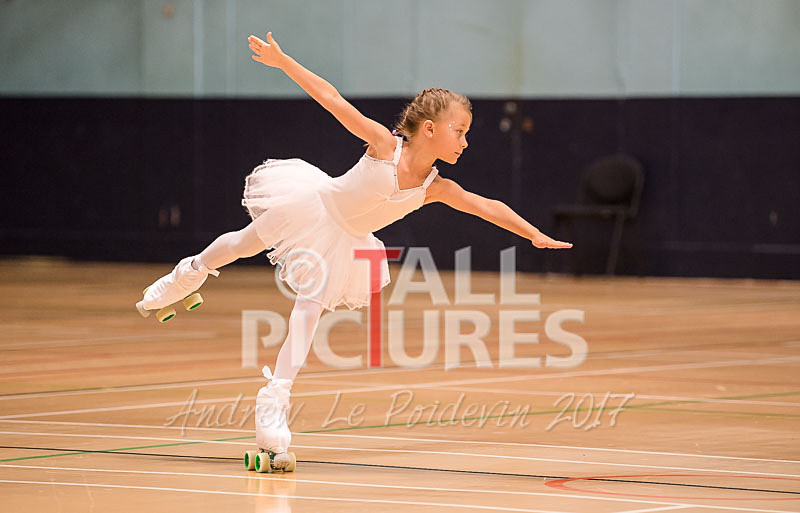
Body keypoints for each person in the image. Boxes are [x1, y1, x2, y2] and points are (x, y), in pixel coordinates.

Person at [136, 31, 572, 471]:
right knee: (244, 242)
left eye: (466, 134)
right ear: (429, 129)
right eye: (459, 132)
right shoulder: (384, 146)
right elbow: (331, 98)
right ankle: (187, 274)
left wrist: (532, 233)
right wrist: (283, 61)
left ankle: (275, 399)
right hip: (312, 207)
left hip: (344, 242)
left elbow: (487, 207)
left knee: (307, 310)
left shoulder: (435, 187)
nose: (464, 142)